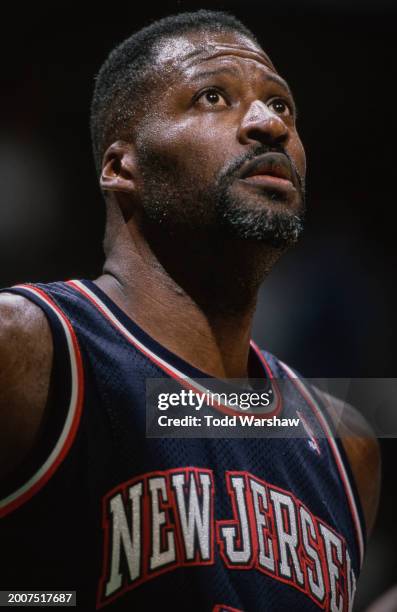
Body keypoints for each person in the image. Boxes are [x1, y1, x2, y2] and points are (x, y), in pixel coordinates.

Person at [0, 10, 380, 612]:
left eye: (282, 106)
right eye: (213, 97)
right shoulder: (28, 347)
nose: (267, 124)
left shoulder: (343, 442)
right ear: (121, 167)